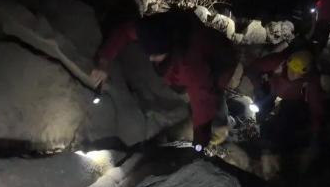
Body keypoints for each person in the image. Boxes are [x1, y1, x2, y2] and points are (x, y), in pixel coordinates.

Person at [90, 9, 238, 150]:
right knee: (180, 84)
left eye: (156, 54)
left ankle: (220, 126)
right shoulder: (151, 28)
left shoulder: (191, 64)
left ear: (169, 49)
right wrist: (104, 63)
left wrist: (199, 143)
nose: (150, 58)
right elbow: (123, 32)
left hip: (221, 61)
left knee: (212, 93)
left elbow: (202, 99)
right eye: (149, 53)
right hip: (194, 50)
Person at [246, 48, 324, 148]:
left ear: (305, 73)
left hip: (291, 101)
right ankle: (258, 122)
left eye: (297, 72)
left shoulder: (311, 82)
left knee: (284, 122)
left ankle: (270, 141)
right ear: (287, 63)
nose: (292, 74)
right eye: (291, 69)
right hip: (272, 89)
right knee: (262, 105)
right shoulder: (278, 61)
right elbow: (253, 68)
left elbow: (315, 108)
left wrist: (315, 134)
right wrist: (257, 87)